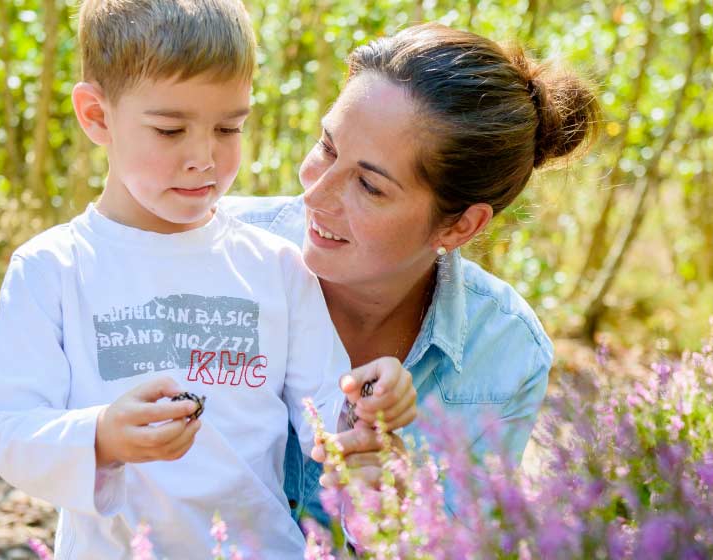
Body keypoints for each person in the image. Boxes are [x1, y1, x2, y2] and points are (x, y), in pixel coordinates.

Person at [0, 1, 417, 557]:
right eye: (169, 130)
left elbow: (325, 414)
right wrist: (103, 435)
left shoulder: (276, 268)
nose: (203, 158)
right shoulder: (53, 269)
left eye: (228, 128)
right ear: (97, 117)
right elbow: (10, 429)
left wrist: (368, 403)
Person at [221, 22, 600, 522]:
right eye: (327, 148)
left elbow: (464, 544)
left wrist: (403, 507)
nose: (314, 194)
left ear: (461, 225)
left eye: (370, 186)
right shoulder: (208, 251)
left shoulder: (506, 351)